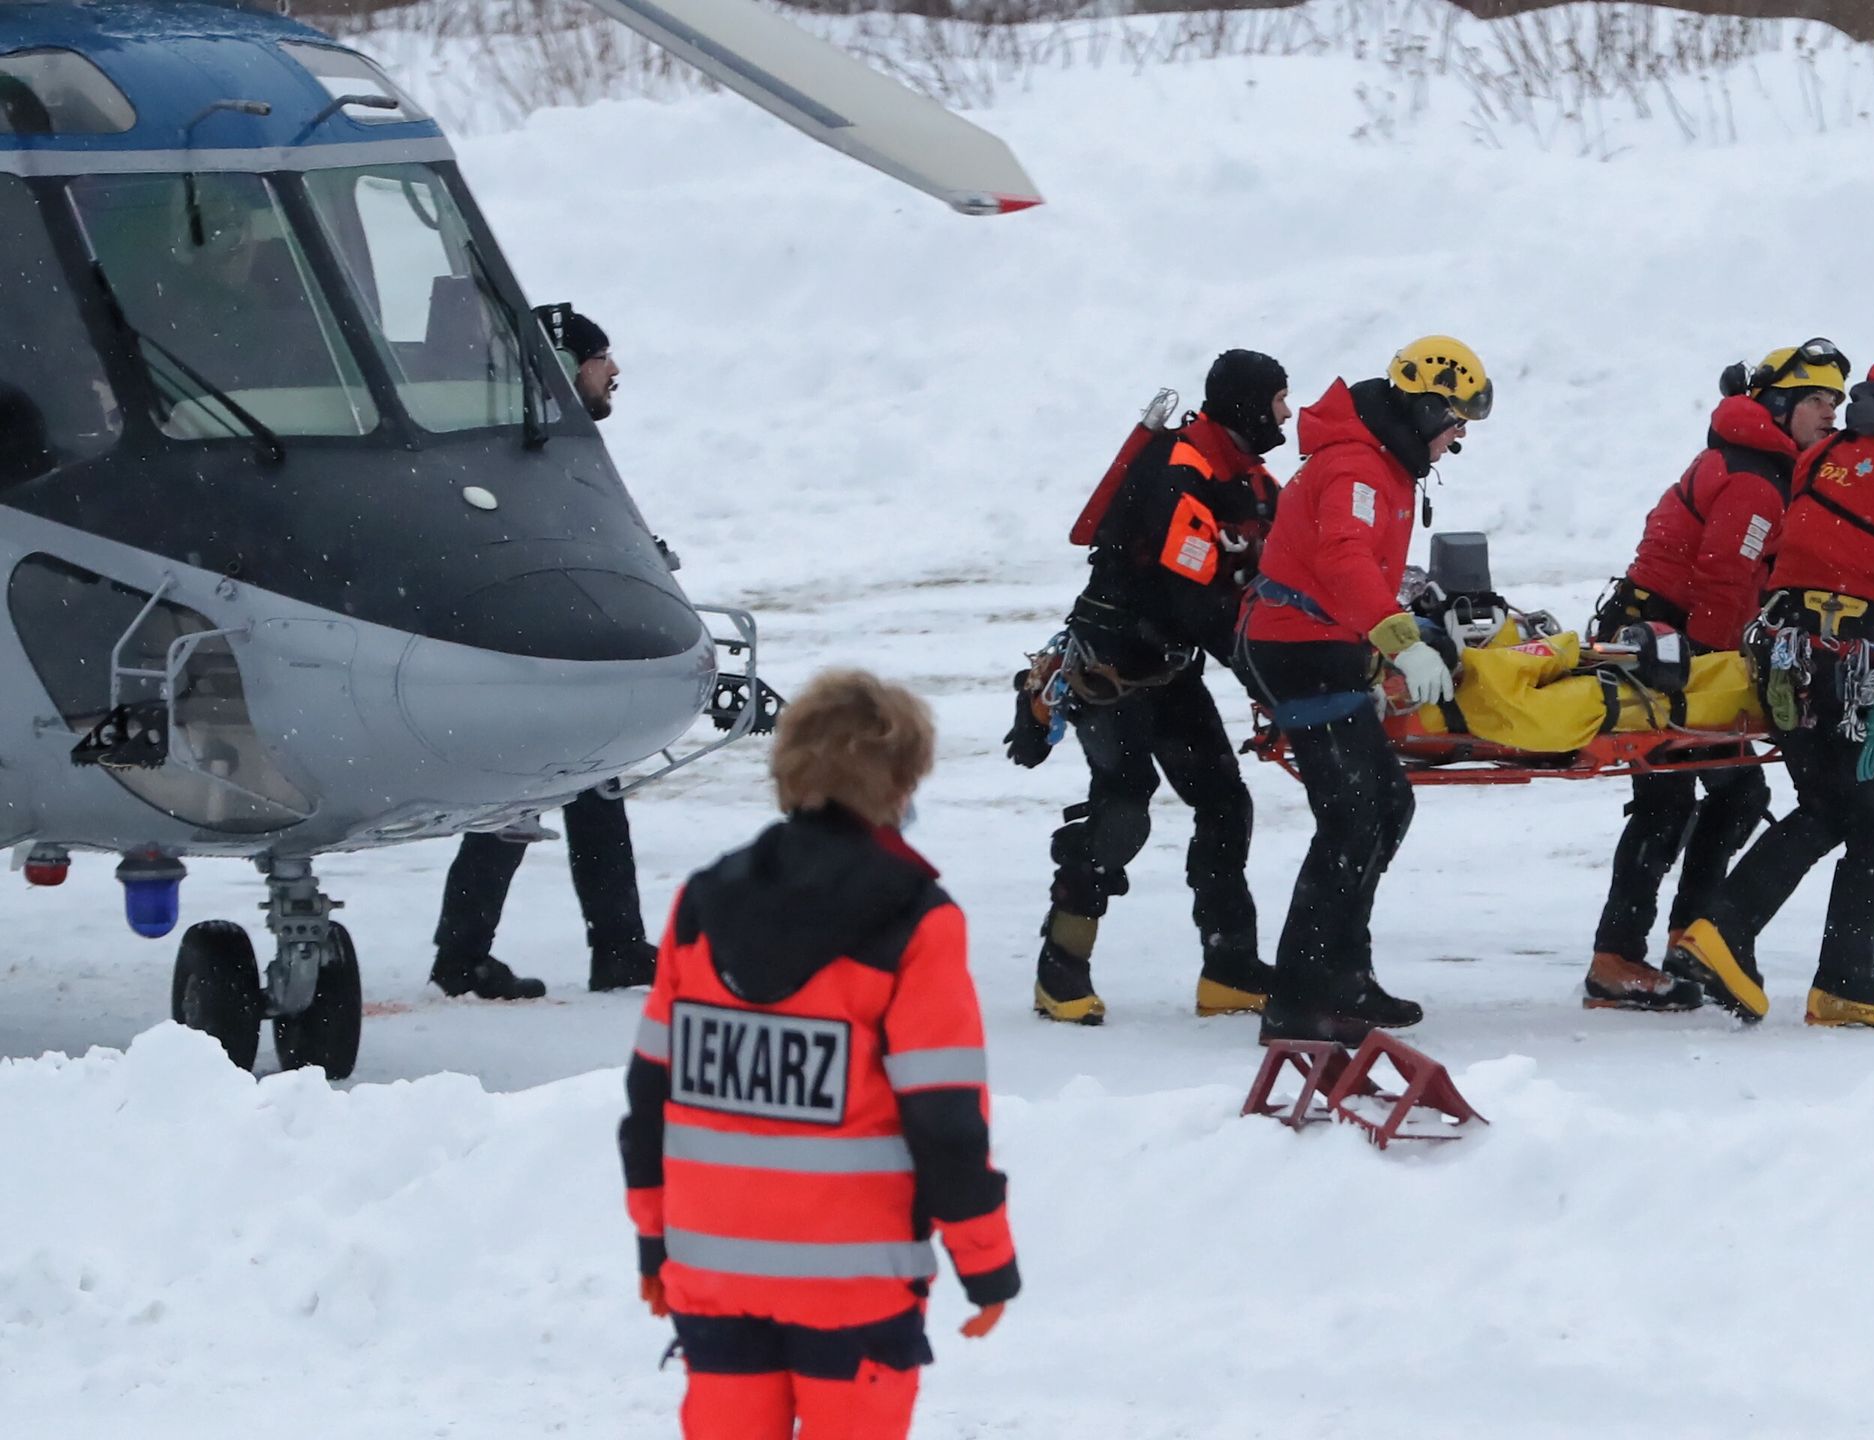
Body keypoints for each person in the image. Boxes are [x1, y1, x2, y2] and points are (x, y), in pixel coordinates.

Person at [620, 669, 1018, 1440]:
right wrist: (985, 1260)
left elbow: (650, 1095)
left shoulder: (702, 901)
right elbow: (944, 1120)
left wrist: (653, 1242)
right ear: (902, 784)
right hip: (856, 1284)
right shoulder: (916, 920)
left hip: (713, 1270)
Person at [1664, 322, 1874, 1029]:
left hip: (1784, 643)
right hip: (1856, 655)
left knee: (1830, 804)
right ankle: (1837, 975)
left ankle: (1729, 932)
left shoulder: (1827, 449)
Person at [1235, 336, 1491, 1045]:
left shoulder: (1382, 462)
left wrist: (1404, 625)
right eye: (1456, 422)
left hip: (1327, 647)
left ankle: (1345, 976)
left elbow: (1362, 567)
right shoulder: (1356, 467)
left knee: (1386, 804)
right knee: (1351, 817)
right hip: (1295, 649)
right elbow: (1343, 556)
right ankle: (1298, 996)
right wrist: (1399, 639)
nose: (1458, 438)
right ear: (1424, 409)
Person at [1583, 341, 1849, 1011]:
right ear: (1782, 405)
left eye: (1837, 401)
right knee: (1687, 797)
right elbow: (1725, 581)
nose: (1831, 413)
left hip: (1664, 636)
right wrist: (1721, 671)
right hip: (1670, 644)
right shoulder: (1756, 477)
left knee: (1708, 797)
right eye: (1819, 400)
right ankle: (1635, 954)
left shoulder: (1759, 462)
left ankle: (1683, 942)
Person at [1033, 349, 1290, 1025]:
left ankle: (1229, 970)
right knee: (1123, 811)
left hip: (1169, 669)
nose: (1286, 415)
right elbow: (1188, 602)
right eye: (1278, 401)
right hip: (1111, 669)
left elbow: (1290, 562)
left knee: (1225, 803)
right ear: (1245, 405)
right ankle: (1060, 969)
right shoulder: (1179, 472)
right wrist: (1262, 670)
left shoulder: (1251, 479)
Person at [428, 304, 651, 1000]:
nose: (613, 370)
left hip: (558, 641)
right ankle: (465, 956)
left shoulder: (550, 440)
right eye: (599, 355)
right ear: (562, 368)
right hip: (525, 649)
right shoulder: (525, 445)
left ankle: (612, 946)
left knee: (587, 786)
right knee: (524, 791)